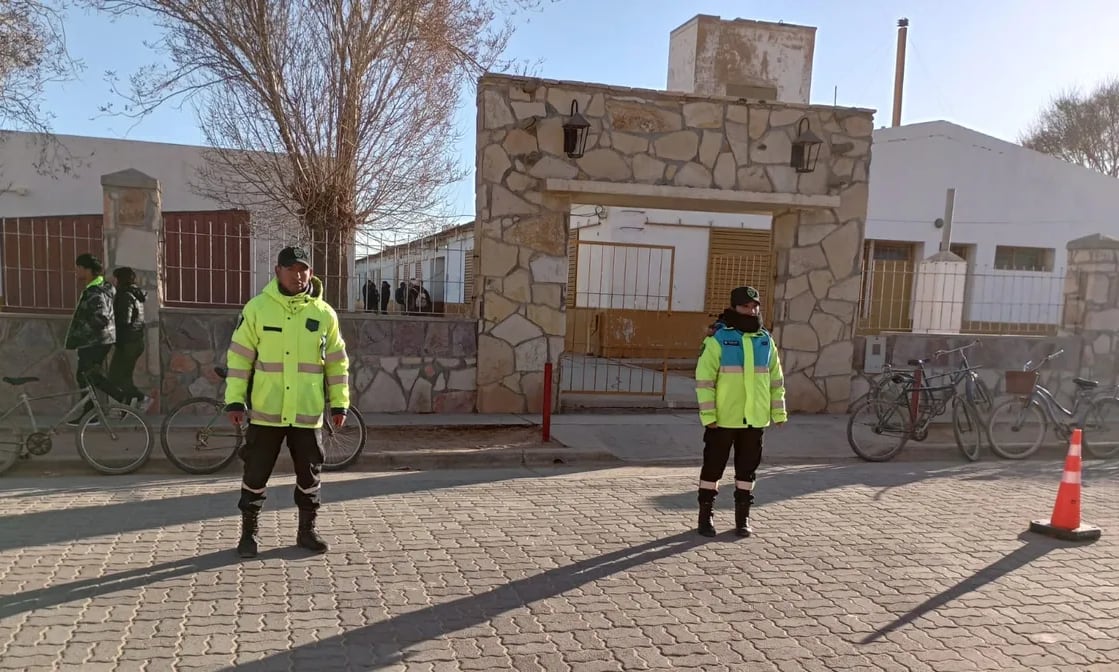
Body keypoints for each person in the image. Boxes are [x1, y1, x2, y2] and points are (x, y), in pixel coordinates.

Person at [224, 246, 351, 558]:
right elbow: (240, 358)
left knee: (310, 476)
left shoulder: (323, 314)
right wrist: (235, 401)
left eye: (304, 268)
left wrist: (339, 404)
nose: (299, 274)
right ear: (278, 271)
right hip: (267, 412)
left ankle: (307, 531)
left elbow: (337, 364)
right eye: (291, 268)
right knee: (255, 475)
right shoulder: (257, 309)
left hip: (307, 414)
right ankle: (248, 534)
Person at [694, 285, 787, 538]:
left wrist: (778, 412)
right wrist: (709, 416)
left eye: (755, 306)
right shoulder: (718, 339)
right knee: (713, 468)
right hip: (723, 419)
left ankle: (742, 517)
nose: (751, 310)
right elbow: (704, 381)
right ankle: (705, 516)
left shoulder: (764, 340)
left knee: (747, 471)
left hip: (754, 420)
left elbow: (776, 379)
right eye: (746, 306)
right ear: (734, 307)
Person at [64, 254, 117, 426]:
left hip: (94, 342)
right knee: (87, 376)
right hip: (99, 340)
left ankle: (125, 397)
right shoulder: (100, 287)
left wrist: (82, 333)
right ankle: (91, 413)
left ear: (87, 270)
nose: (76, 270)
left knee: (86, 376)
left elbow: (100, 318)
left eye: (78, 267)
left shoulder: (95, 291)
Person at [108, 267, 150, 410]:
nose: (112, 281)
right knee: (124, 376)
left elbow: (124, 320)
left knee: (115, 377)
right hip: (135, 341)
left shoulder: (125, 295)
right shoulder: (135, 294)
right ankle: (127, 408)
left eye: (115, 278)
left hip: (127, 342)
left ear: (120, 279)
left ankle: (141, 398)